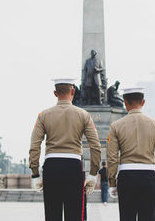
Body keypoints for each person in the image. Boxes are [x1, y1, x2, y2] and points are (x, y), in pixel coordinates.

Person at [29, 78, 101, 221]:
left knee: (52, 215)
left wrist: (35, 173)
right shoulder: (84, 115)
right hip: (73, 167)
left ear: (55, 93)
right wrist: (93, 174)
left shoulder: (43, 115)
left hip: (51, 167)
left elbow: (34, 146)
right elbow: (96, 146)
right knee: (75, 215)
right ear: (73, 91)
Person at [106, 87, 155, 221]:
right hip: (148, 176)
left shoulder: (116, 126)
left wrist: (112, 182)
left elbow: (112, 158)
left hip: (126, 177)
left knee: (126, 217)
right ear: (143, 102)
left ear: (124, 102)